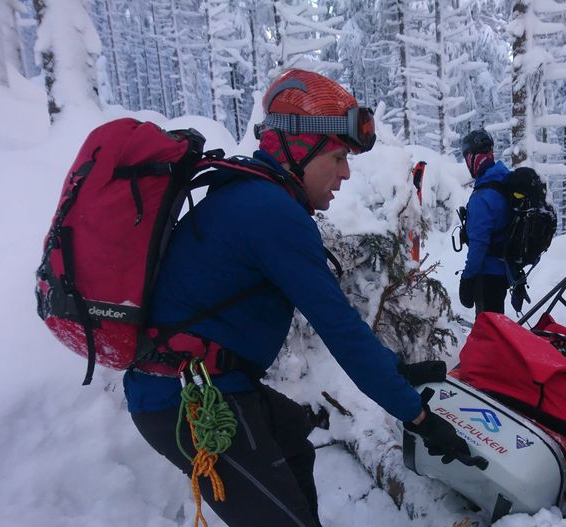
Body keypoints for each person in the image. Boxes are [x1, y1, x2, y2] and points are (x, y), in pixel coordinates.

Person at [124, 69, 470, 527]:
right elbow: (341, 331)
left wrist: (396, 369)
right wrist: (420, 418)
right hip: (187, 401)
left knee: (289, 436)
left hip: (199, 385)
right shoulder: (270, 211)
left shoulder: (253, 196)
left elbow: (338, 321)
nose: (345, 173)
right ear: (299, 149)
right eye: (338, 156)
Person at [458, 129, 512, 314]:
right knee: (496, 324)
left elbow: (479, 245)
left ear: (474, 157)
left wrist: (467, 279)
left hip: (488, 273)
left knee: (489, 330)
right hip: (503, 271)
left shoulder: (483, 196)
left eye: (467, 158)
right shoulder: (503, 181)